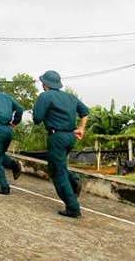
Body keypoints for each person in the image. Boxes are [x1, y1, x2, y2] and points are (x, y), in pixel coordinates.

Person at [32, 70, 89, 218]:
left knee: (57, 172)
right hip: (70, 137)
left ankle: (72, 207)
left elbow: (37, 118)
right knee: (60, 166)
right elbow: (85, 112)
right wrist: (81, 128)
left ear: (45, 84)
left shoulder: (45, 96)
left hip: (56, 137)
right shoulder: (70, 97)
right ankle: (74, 180)